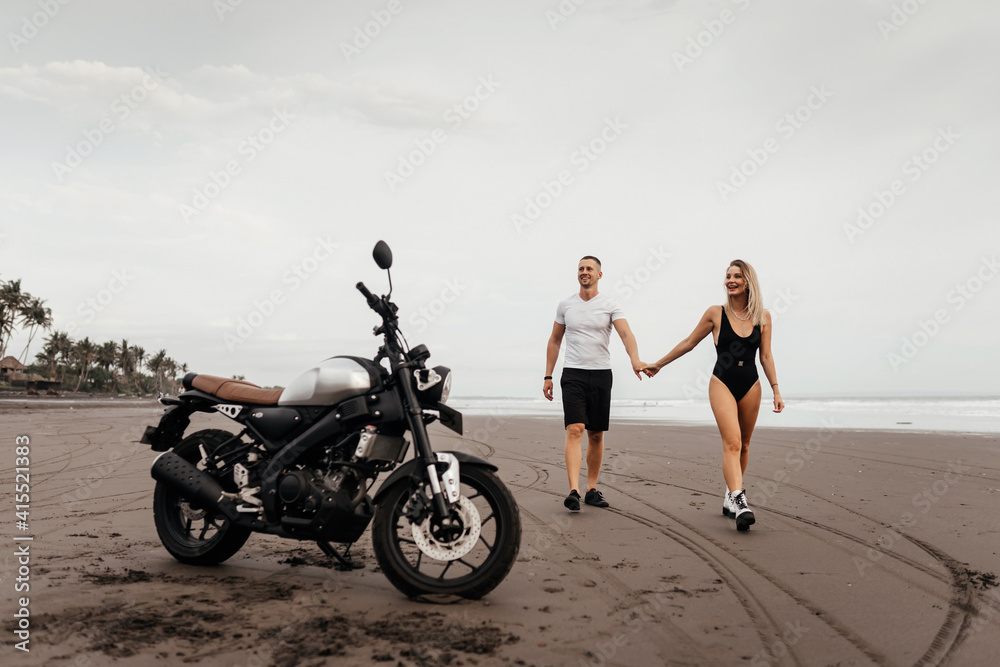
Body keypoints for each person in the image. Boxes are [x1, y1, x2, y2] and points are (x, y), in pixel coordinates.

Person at [643, 259, 784, 531]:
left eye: (737, 277)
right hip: (722, 383)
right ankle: (740, 501)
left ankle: (730, 494)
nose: (730, 280)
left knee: (744, 445)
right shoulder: (715, 313)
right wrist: (659, 364)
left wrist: (776, 389)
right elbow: (689, 342)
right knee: (732, 442)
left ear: (748, 282)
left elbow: (765, 355)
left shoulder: (763, 317)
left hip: (752, 384)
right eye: (728, 276)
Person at [543, 255, 646, 512]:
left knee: (596, 435)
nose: (584, 272)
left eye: (589, 268)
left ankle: (591, 488)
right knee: (575, 429)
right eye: (581, 268)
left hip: (601, 374)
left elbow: (625, 333)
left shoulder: (610, 305)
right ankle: (573, 491)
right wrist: (548, 375)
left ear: (600, 274)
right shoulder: (566, 304)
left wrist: (635, 359)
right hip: (573, 374)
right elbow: (555, 340)